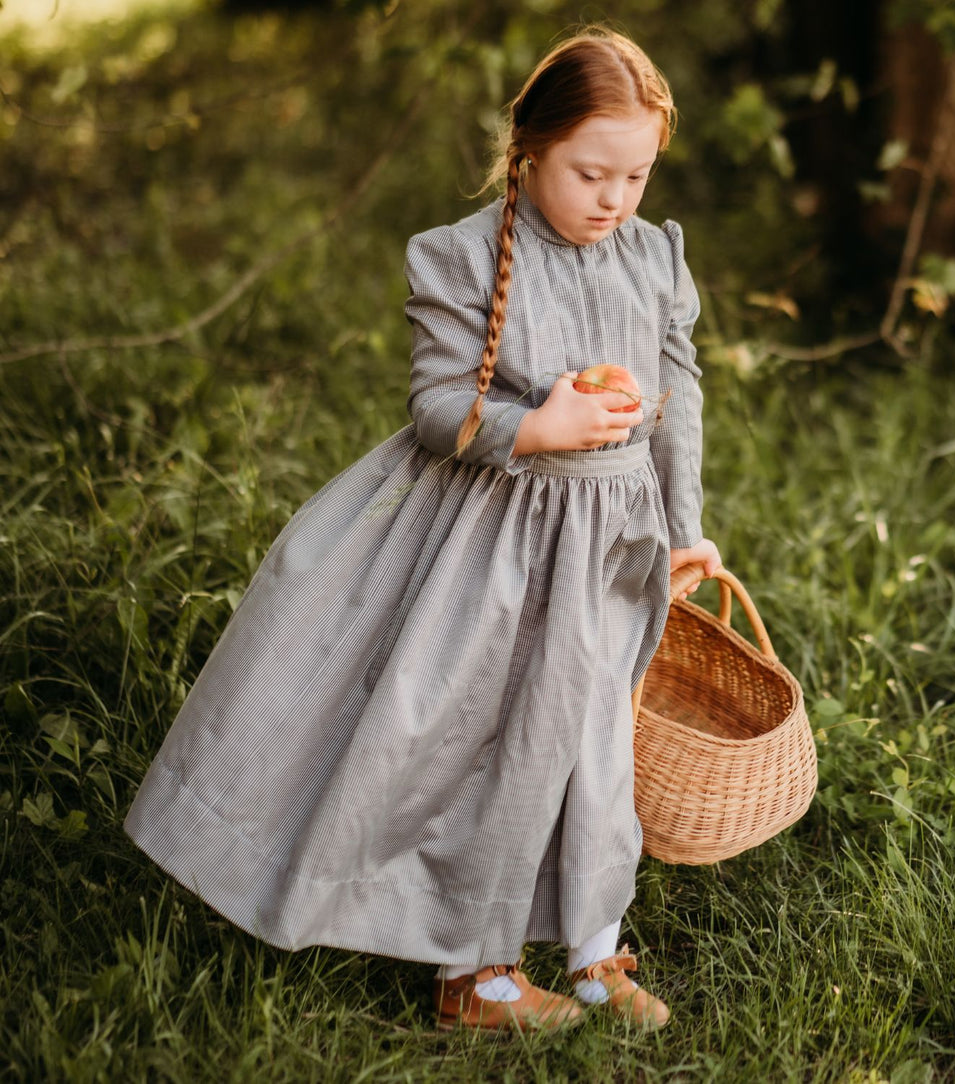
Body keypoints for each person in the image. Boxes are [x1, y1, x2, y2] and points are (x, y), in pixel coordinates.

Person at [123, 27, 722, 1034]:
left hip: (611, 546)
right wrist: (538, 424)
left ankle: (590, 947)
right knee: (495, 742)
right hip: (500, 543)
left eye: (636, 174)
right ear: (527, 149)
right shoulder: (460, 257)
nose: (614, 198)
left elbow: (679, 398)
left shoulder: (650, 258)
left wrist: (684, 526)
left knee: (595, 744)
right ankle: (475, 970)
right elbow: (437, 406)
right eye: (590, 172)